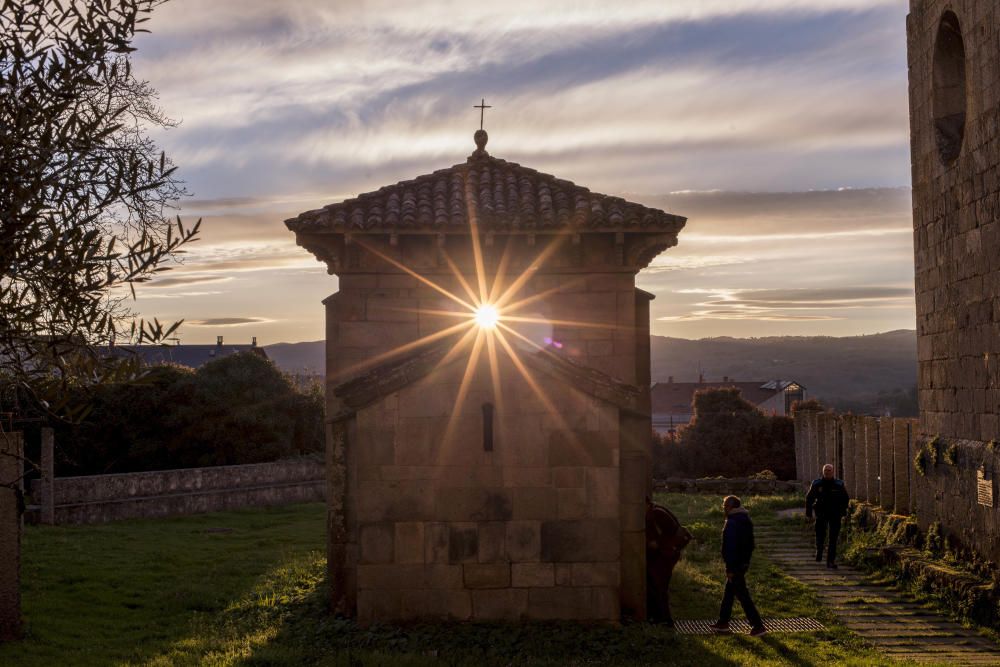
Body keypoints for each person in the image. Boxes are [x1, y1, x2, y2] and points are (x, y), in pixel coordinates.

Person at [709, 495, 766, 636]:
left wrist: (730, 568)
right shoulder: (745, 519)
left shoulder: (733, 521)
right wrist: (745, 562)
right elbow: (750, 545)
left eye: (725, 506)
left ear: (731, 507)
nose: (724, 509)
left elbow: (730, 547)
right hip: (742, 563)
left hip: (735, 565)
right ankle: (723, 623)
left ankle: (758, 626)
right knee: (729, 592)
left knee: (742, 595)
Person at [645, 498, 692, 626]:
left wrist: (657, 543)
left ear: (645, 504)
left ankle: (664, 620)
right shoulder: (657, 511)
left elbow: (671, 532)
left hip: (666, 555)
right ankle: (659, 617)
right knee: (657, 586)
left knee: (659, 587)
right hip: (665, 554)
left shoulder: (656, 513)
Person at [806, 463, 850, 568]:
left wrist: (842, 512)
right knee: (820, 534)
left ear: (833, 472)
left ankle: (830, 561)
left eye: (829, 470)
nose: (827, 472)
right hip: (821, 513)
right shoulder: (817, 483)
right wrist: (809, 513)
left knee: (833, 539)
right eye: (826, 470)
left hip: (835, 514)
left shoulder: (839, 484)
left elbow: (845, 499)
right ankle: (819, 550)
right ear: (823, 471)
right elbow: (809, 498)